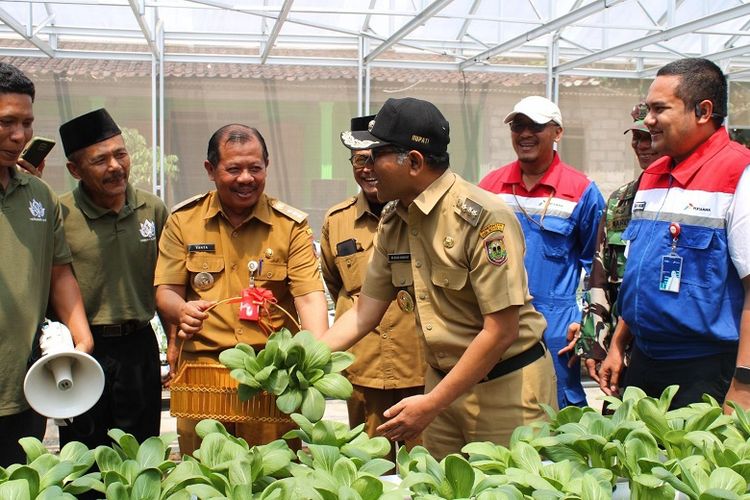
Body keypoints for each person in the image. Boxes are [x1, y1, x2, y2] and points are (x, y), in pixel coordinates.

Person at [319, 97, 556, 460]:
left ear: (413, 162)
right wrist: (305, 358)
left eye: (375, 156)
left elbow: (500, 331)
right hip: (441, 387)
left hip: (506, 392)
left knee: (509, 486)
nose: (366, 168)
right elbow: (365, 310)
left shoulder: (483, 218)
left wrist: (431, 403)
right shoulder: (395, 218)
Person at [155, 124, 329, 455]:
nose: (246, 178)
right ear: (210, 169)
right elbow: (166, 290)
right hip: (203, 372)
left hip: (270, 375)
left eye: (255, 168)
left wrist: (315, 357)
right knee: (204, 473)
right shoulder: (183, 221)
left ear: (267, 165)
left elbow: (309, 297)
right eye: (233, 169)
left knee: (272, 473)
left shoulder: (290, 226)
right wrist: (181, 310)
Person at [599, 58, 750, 411]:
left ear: (703, 111)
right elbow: (643, 276)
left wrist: (743, 384)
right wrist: (619, 345)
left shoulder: (739, 175)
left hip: (706, 370)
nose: (647, 120)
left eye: (659, 109)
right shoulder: (654, 175)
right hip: (646, 361)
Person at [478, 96, 605, 408]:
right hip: (494, 321)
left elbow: (599, 269)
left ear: (557, 133)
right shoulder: (490, 187)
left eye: (535, 126)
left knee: (558, 413)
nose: (524, 134)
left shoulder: (582, 191)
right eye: (518, 126)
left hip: (557, 329)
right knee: (497, 410)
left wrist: (590, 328)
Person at [55, 108, 167, 450]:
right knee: (83, 453)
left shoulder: (153, 209)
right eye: (100, 160)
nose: (116, 166)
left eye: (121, 154)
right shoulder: (60, 213)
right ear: (75, 170)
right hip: (83, 346)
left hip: (139, 346)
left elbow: (166, 281)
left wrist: (174, 343)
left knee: (140, 449)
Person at [0, 62, 93, 466]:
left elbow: (59, 272)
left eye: (26, 122)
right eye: (6, 123)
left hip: (25, 387)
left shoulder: (38, 194)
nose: (19, 136)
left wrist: (80, 336)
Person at [320, 114, 426, 459]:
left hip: (421, 370)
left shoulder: (424, 218)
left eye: (374, 158)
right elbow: (337, 285)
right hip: (363, 370)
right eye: (358, 160)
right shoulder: (337, 221)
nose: (367, 169)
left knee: (424, 466)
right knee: (369, 469)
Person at [560, 103, 665, 384]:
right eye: (636, 137)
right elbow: (599, 275)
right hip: (619, 356)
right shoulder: (620, 201)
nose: (641, 145)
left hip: (662, 346)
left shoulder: (682, 200)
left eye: (648, 137)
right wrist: (596, 343)